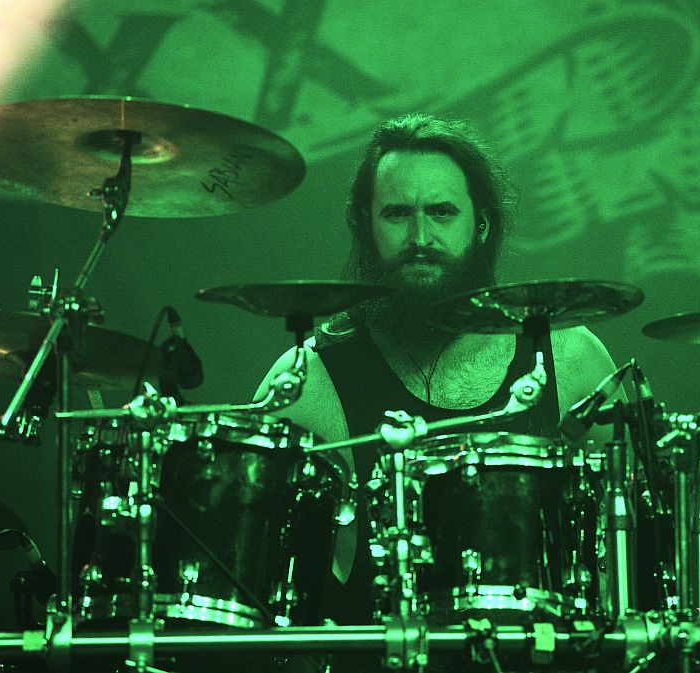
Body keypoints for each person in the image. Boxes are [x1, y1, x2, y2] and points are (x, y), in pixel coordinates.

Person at [255, 113, 621, 624]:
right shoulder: (308, 379)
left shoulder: (569, 356)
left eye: (443, 212)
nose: (420, 237)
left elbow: (647, 531)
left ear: (482, 225)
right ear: (364, 225)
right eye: (397, 214)